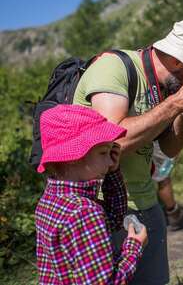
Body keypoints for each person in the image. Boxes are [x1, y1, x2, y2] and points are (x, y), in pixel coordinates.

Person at [73, 19, 183, 284]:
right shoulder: (114, 68)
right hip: (100, 208)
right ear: (180, 61)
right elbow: (107, 144)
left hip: (146, 202)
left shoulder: (166, 87)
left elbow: (169, 148)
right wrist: (175, 104)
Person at [35, 104, 148, 284]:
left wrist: (112, 172)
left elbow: (112, 219)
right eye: (103, 152)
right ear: (73, 157)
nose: (110, 159)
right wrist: (134, 247)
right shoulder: (84, 211)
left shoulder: (51, 199)